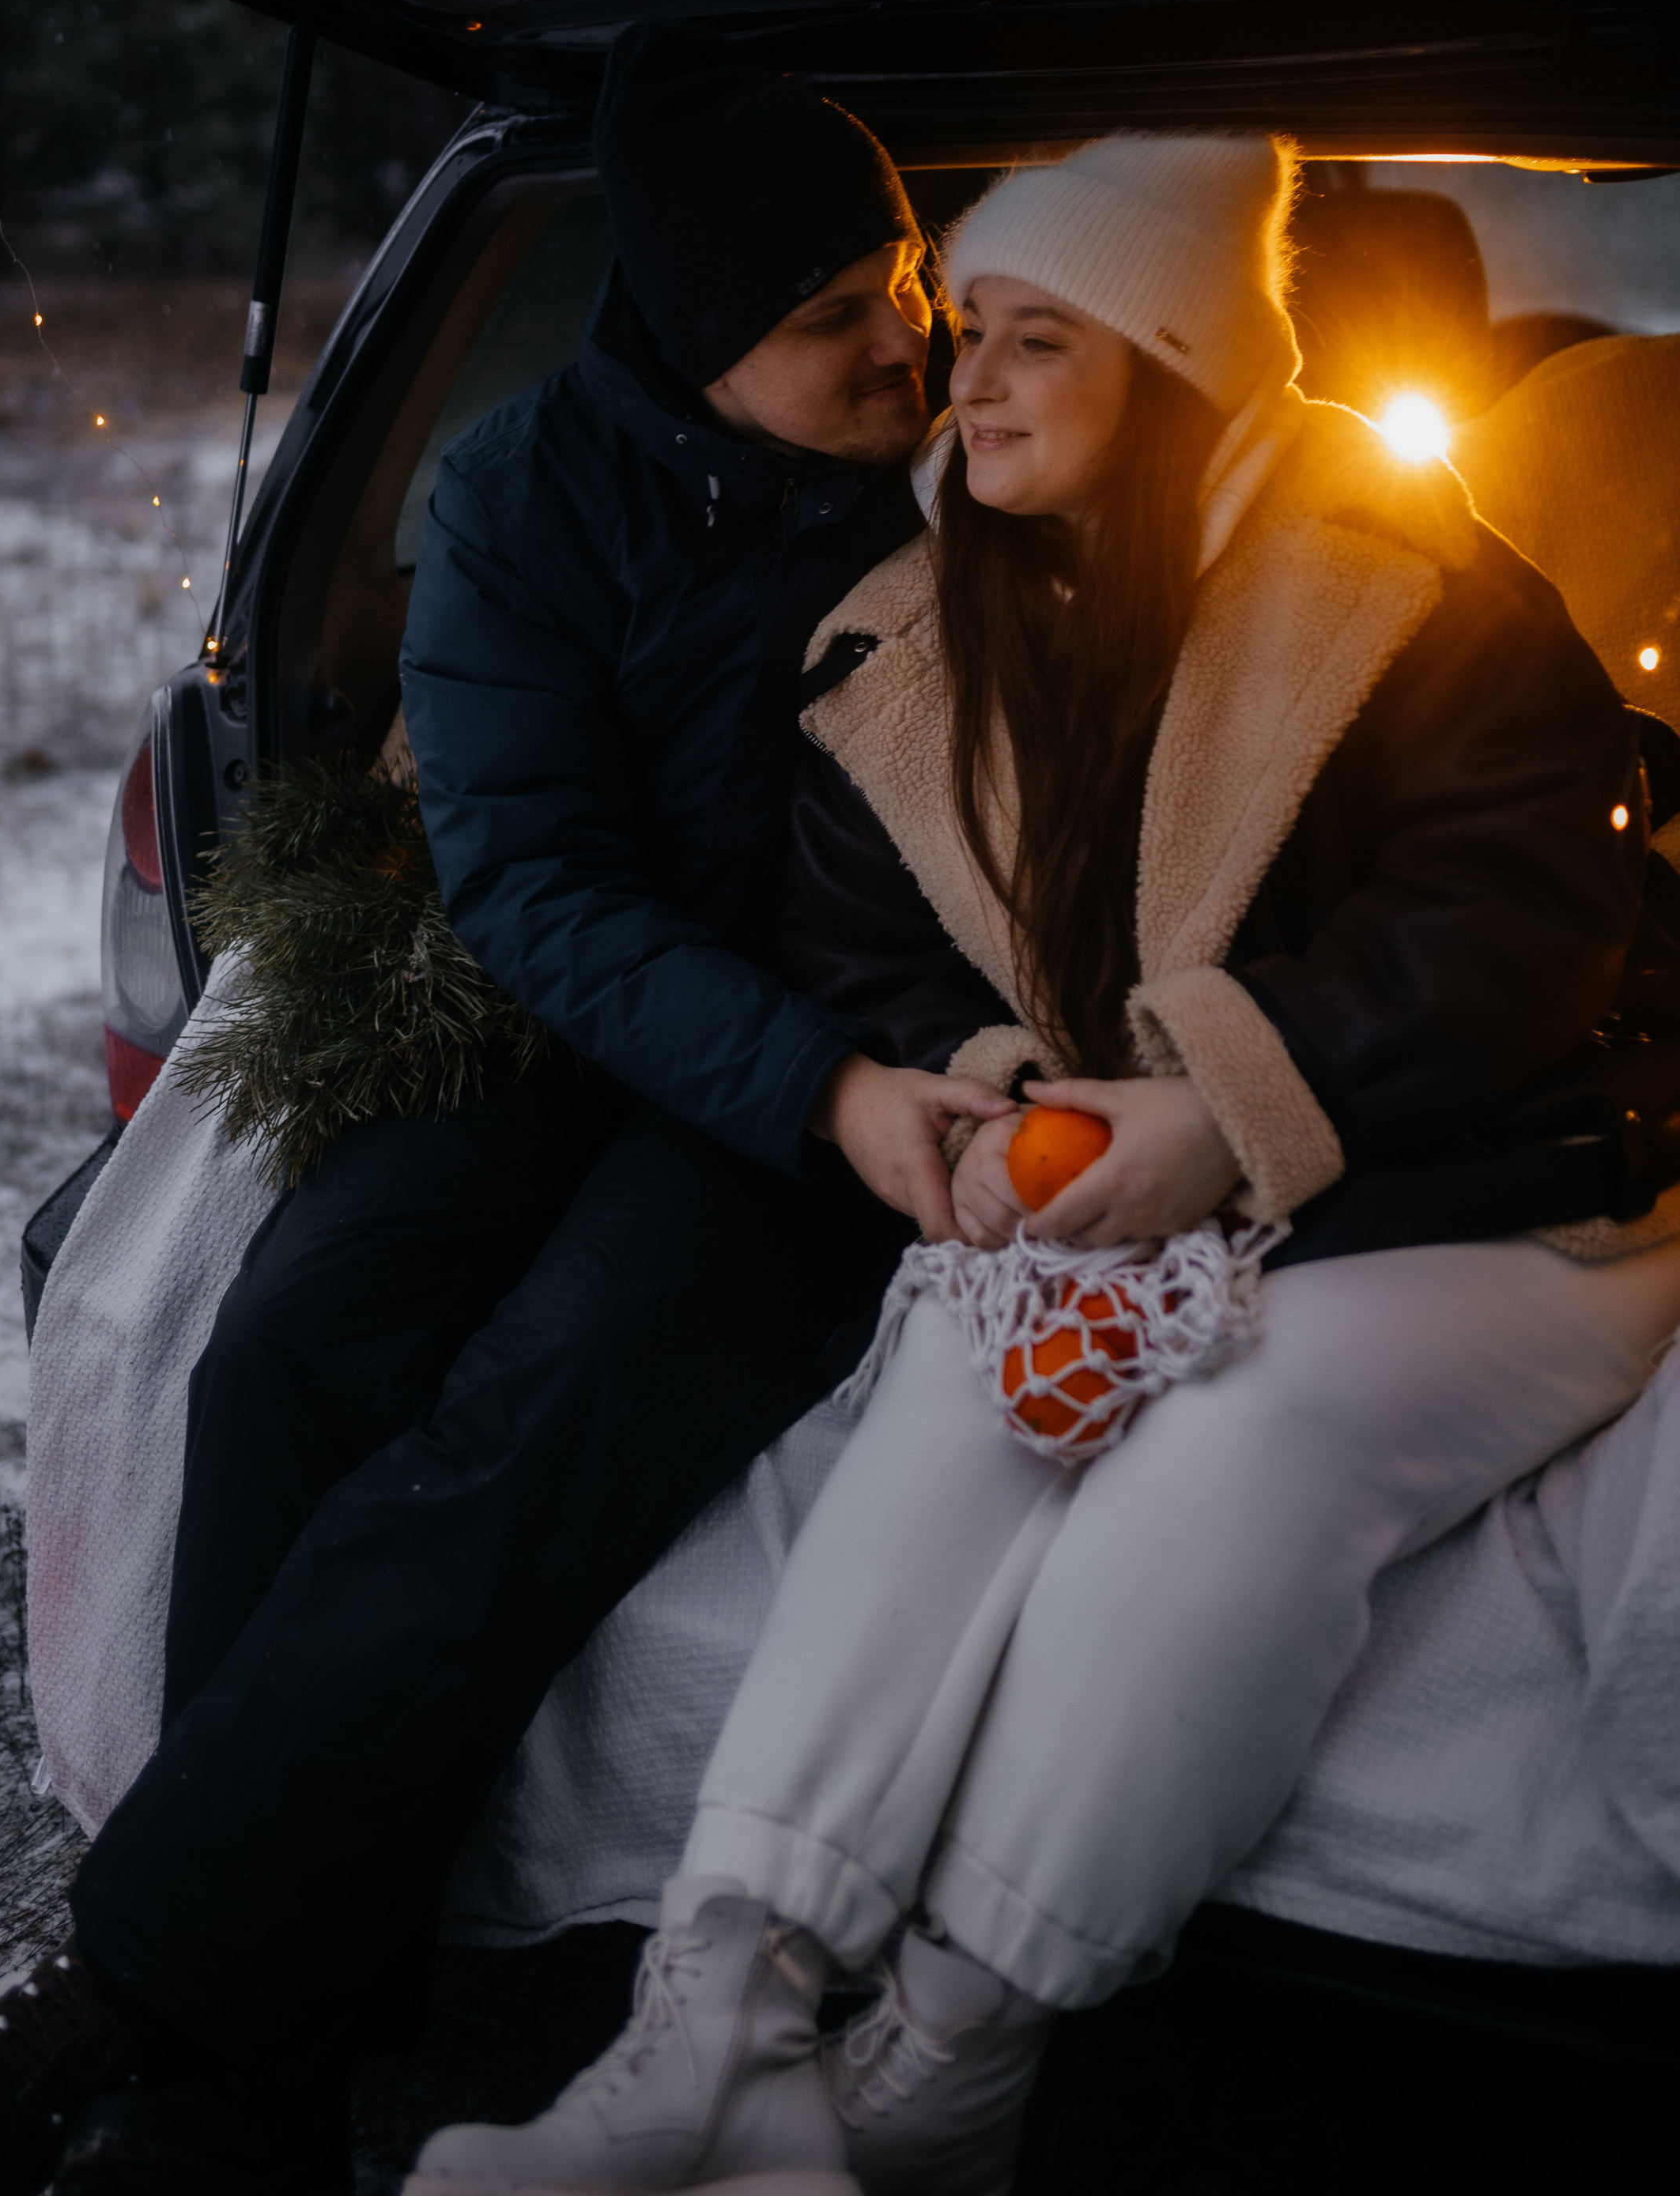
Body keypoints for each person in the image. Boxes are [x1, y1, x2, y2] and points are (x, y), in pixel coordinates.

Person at [410, 129, 1680, 2196]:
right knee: (963, 1382)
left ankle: (950, 2058)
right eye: (956, 330)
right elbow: (870, 939)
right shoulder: (919, 639)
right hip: (1151, 1184)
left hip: (1490, 1188)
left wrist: (1220, 1108)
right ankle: (718, 2018)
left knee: (1229, 1450)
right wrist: (1002, 1096)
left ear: (1173, 363)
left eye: (1029, 342)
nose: (958, 378)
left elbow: (1520, 920)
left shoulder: (1415, 577)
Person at [0, 27, 1012, 2196]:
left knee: (533, 1408)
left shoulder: (973, 489)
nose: (912, 339)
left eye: (911, 278)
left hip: (834, 1089)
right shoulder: (511, 493)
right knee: (295, 1336)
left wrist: (851, 1088)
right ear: (689, 339)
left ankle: (156, 2006)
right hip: (583, 1021)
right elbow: (538, 884)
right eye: (836, 313)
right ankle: (279, 2076)